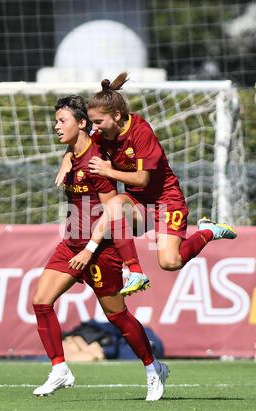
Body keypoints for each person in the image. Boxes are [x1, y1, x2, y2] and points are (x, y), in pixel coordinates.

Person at [32, 95, 169, 400]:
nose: (56, 126)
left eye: (61, 121)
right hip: (71, 243)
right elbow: (73, 154)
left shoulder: (96, 159)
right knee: (41, 302)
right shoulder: (72, 152)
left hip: (99, 250)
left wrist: (89, 250)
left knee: (117, 317)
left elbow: (112, 212)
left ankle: (152, 366)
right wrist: (67, 157)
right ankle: (59, 369)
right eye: (56, 121)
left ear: (81, 124)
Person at [62, 72, 236, 288]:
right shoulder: (102, 134)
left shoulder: (141, 133)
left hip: (166, 201)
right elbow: (81, 144)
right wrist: (67, 157)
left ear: (117, 115)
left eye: (98, 122)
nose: (94, 127)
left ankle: (208, 231)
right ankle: (135, 272)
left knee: (170, 262)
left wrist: (108, 171)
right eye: (92, 122)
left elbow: (142, 179)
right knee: (115, 205)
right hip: (139, 205)